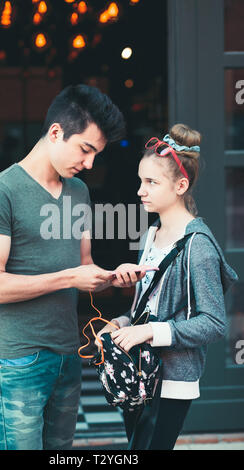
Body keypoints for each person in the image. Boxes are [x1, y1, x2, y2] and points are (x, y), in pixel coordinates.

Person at [0, 84, 152, 450]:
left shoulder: (78, 192)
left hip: (68, 353)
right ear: (56, 132)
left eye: (96, 154)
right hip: (18, 358)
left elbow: (83, 268)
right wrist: (70, 277)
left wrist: (113, 278)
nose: (89, 164)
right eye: (85, 149)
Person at [97, 123, 238, 450]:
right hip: (139, 370)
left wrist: (149, 332)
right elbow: (146, 308)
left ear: (181, 185)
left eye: (151, 182)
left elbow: (214, 322)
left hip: (172, 377)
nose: (140, 191)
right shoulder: (149, 235)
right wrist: (119, 324)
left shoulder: (198, 246)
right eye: (140, 181)